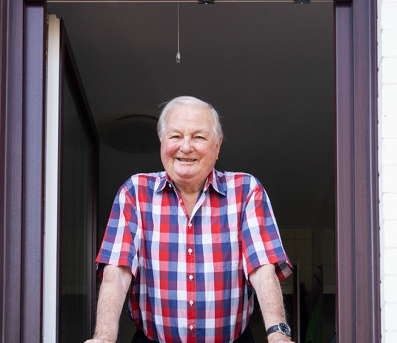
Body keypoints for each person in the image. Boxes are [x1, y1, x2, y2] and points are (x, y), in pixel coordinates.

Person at [85, 96, 294, 343]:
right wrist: (104, 338)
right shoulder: (135, 191)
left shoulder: (246, 190)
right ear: (162, 142)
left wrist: (278, 335)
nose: (185, 147)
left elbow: (262, 268)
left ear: (217, 146)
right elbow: (116, 272)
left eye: (198, 137)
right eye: (175, 136)